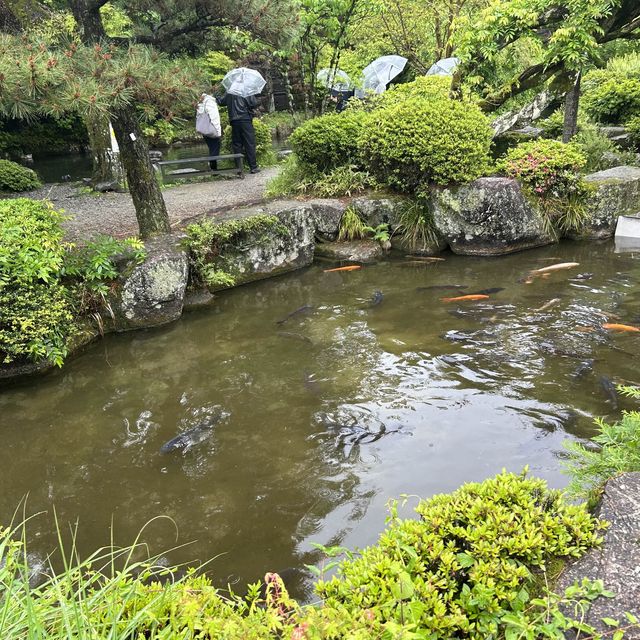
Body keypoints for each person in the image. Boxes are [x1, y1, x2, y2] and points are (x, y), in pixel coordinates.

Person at [217, 92, 260, 174]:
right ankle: (253, 167)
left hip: (234, 120)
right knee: (249, 143)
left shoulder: (230, 92)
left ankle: (239, 169)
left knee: (237, 144)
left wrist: (217, 95)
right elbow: (254, 104)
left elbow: (221, 102)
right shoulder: (246, 91)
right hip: (245, 119)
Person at [196, 92, 222, 170]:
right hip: (212, 129)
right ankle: (214, 170)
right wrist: (218, 130)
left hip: (205, 130)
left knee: (211, 148)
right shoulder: (210, 102)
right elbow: (214, 117)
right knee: (215, 148)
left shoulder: (201, 104)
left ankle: (212, 168)